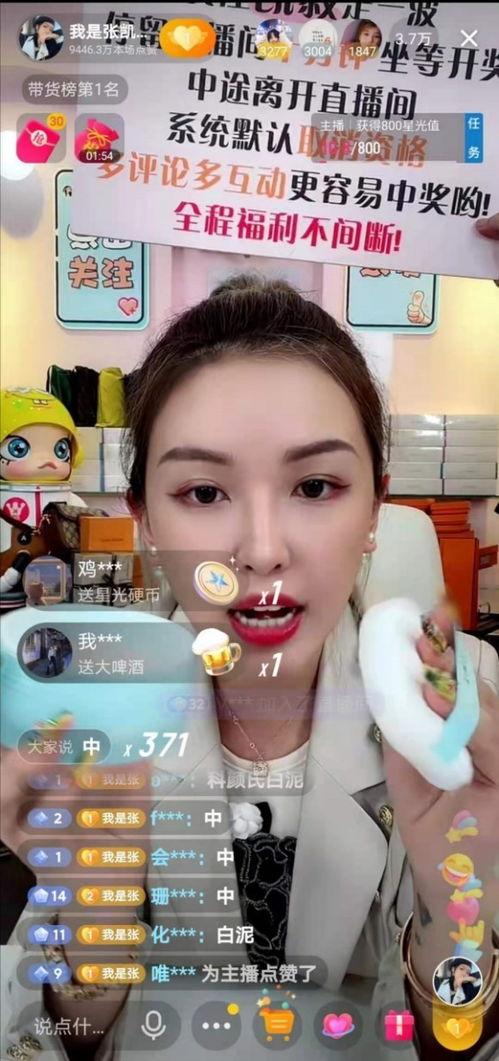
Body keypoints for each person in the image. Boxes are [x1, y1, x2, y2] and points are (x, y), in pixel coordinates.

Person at [1, 277, 499, 1060]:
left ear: (373, 509)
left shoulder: (459, 710)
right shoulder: (104, 710)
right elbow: (44, 1040)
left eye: (314, 486)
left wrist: (456, 911)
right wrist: (93, 928)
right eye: (203, 491)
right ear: (145, 519)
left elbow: (456, 1043)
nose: (262, 551)